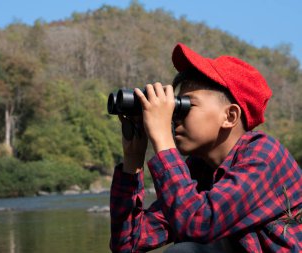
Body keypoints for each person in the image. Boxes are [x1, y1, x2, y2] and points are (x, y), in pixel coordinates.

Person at [109, 43, 302, 253]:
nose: (174, 117)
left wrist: (162, 138)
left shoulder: (264, 154)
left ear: (229, 116)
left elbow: (198, 223)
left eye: (186, 105)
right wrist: (133, 159)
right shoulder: (200, 170)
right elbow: (128, 243)